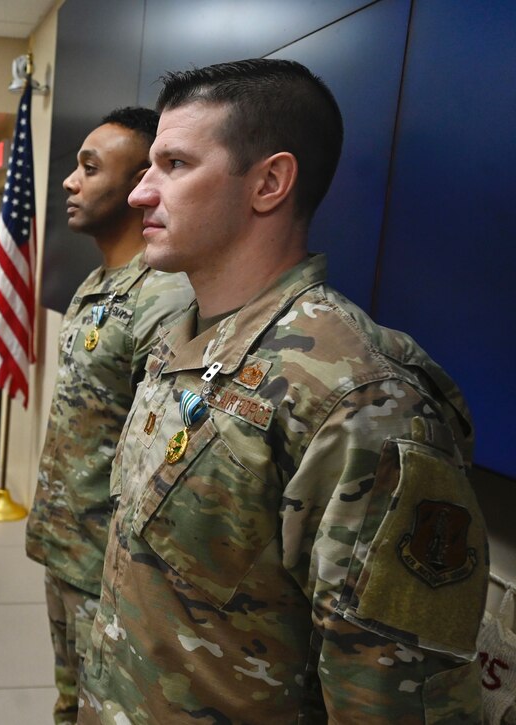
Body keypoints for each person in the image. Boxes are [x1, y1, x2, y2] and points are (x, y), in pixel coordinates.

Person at [78, 59, 486, 724]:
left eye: (174, 165)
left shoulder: (360, 398)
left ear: (269, 182)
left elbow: (388, 700)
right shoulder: (179, 340)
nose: (139, 194)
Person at [23, 107, 194, 725]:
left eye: (89, 169)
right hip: (71, 548)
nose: (70, 181)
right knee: (70, 706)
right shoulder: (98, 283)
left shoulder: (164, 300)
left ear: (138, 185)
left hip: (113, 572)